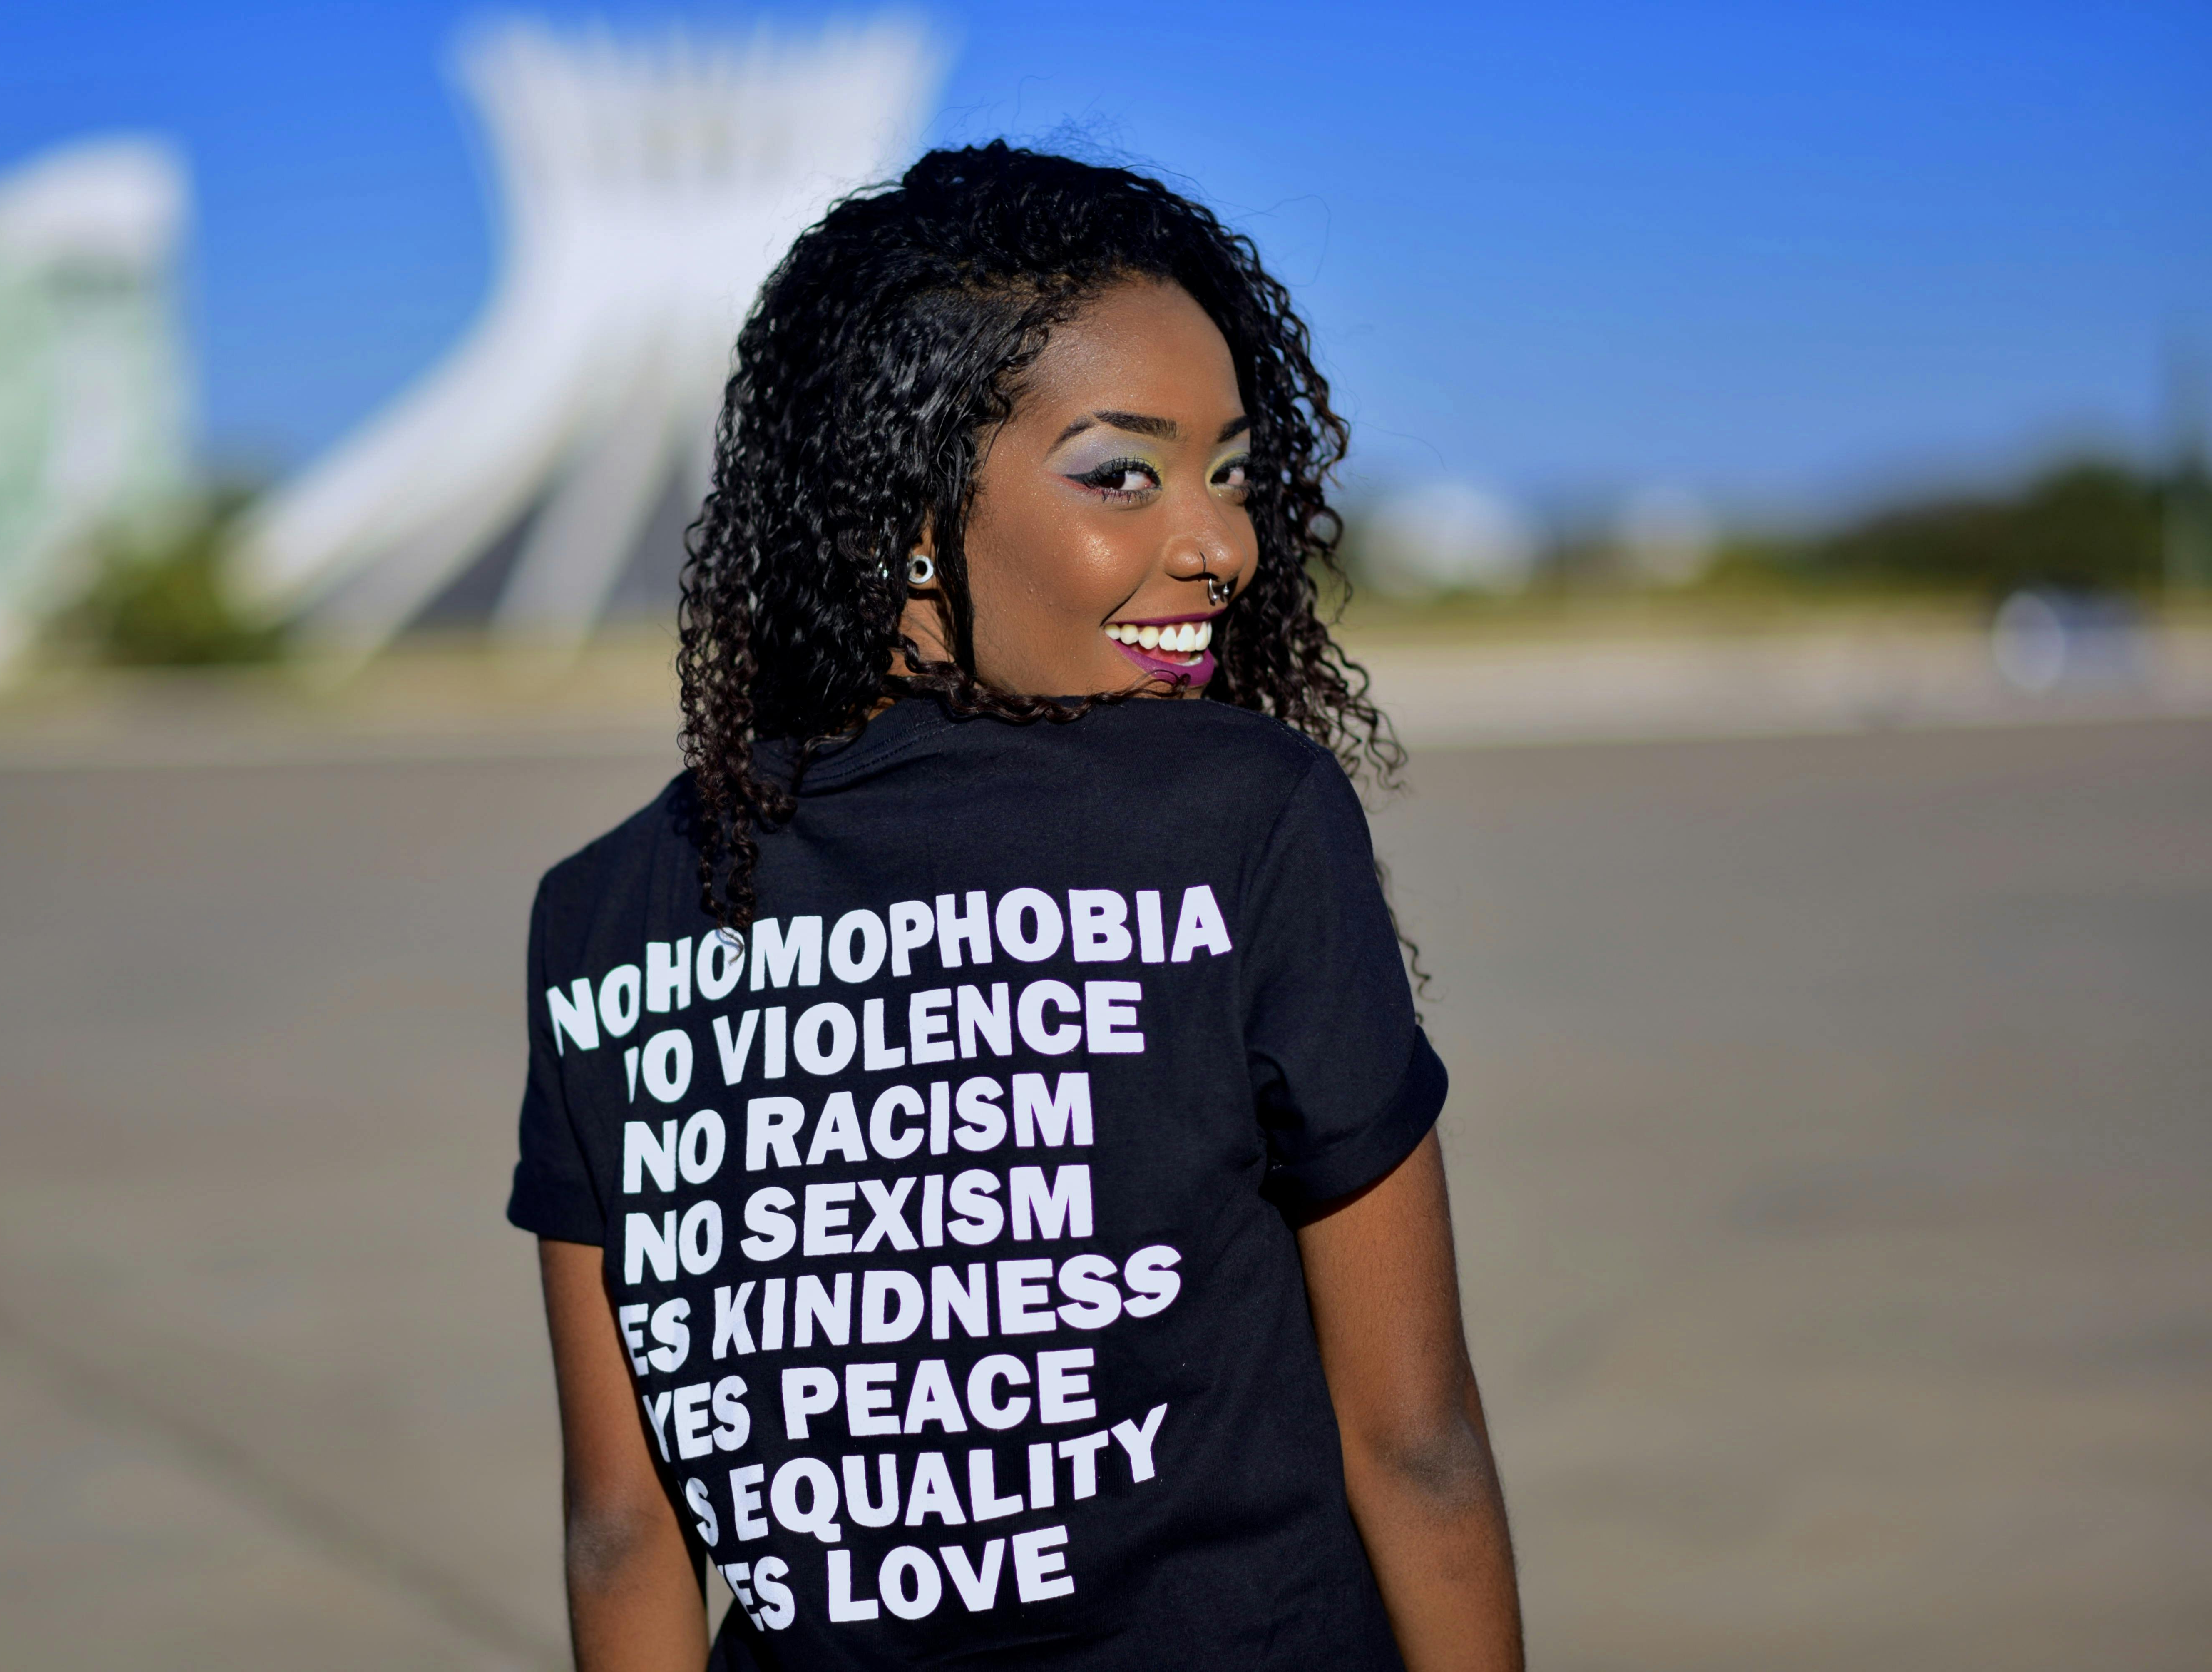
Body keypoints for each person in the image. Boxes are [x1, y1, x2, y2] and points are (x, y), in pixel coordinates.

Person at [510, 142, 1522, 1672]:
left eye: (1234, 473)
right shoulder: (1239, 818)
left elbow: (623, 1535)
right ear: (911, 516)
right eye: (1123, 474)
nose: (1226, 547)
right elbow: (1417, 1444)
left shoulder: (606, 912)